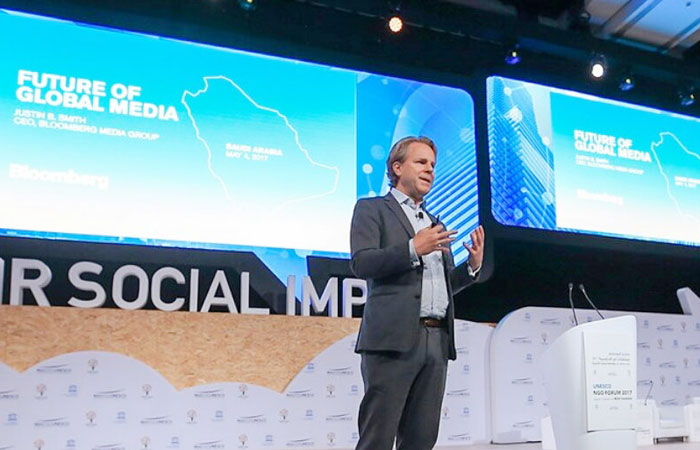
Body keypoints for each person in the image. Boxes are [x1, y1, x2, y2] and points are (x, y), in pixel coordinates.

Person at [350, 136, 485, 450]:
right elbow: (362, 262)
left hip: (436, 342)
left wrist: (471, 269)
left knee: (422, 440)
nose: (430, 170)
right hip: (393, 341)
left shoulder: (435, 223)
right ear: (397, 167)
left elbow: (442, 283)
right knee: (378, 438)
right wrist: (413, 248)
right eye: (421, 162)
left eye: (433, 165)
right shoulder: (372, 210)